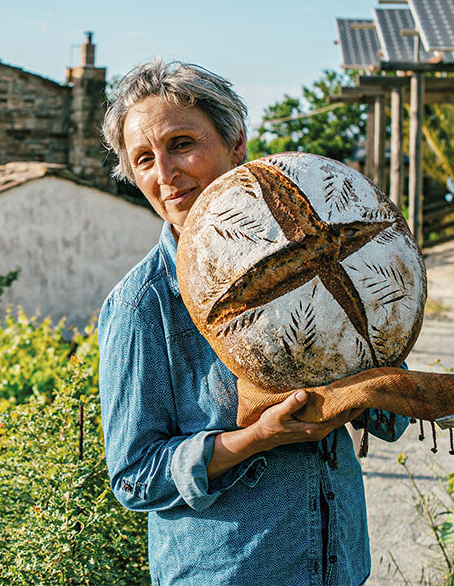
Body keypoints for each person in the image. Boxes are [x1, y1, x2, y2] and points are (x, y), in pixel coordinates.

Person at [97, 59, 410, 586]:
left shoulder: (320, 255)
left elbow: (386, 420)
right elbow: (134, 476)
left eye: (181, 143)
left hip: (339, 566)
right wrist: (258, 437)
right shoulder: (145, 304)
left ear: (236, 143)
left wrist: (380, 381)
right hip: (229, 573)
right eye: (143, 159)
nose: (165, 174)